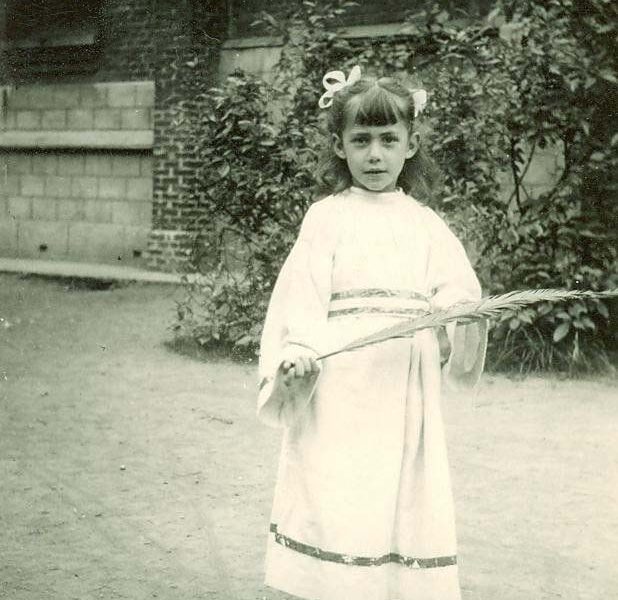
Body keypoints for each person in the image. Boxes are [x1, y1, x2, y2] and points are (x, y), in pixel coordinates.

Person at [257, 65, 487, 600]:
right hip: (339, 380)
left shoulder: (423, 222)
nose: (375, 155)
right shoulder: (326, 218)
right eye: (361, 141)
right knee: (338, 482)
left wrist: (464, 317)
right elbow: (303, 293)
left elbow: (457, 289)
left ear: (412, 144)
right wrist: (300, 350)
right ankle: (333, 584)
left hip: (403, 385)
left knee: (398, 487)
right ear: (339, 146)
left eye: (389, 140)